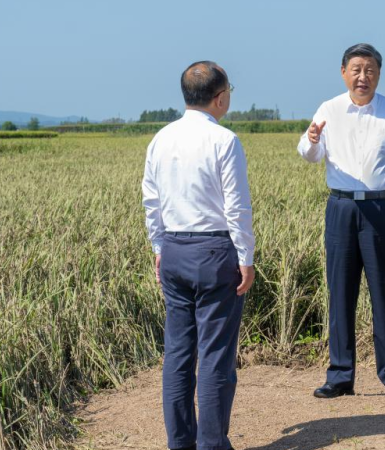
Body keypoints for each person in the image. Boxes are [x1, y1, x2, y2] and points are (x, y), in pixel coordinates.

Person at [297, 43, 385, 399]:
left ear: (379, 74)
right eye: (356, 69)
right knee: (340, 291)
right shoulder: (328, 109)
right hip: (341, 209)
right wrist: (310, 141)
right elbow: (309, 154)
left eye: (369, 70)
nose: (362, 77)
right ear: (343, 73)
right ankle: (339, 375)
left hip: (383, 209)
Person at [142, 61, 254, 450]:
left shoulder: (160, 139)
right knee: (216, 354)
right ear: (220, 97)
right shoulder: (224, 141)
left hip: (173, 249)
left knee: (177, 353)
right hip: (214, 251)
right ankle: (211, 443)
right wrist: (246, 257)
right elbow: (237, 207)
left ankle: (180, 443)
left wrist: (159, 248)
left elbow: (151, 202)